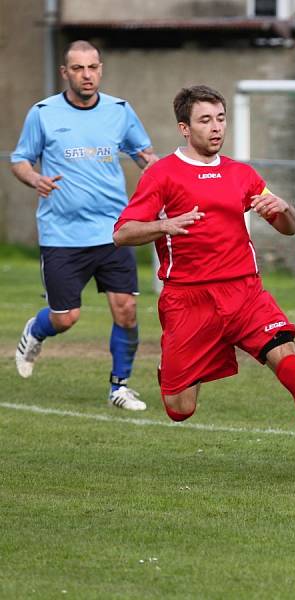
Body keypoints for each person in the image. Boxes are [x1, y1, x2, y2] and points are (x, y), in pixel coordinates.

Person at [112, 85, 295, 484]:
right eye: (205, 120)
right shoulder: (162, 175)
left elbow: (288, 227)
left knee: (291, 364)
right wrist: (164, 225)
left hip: (245, 291)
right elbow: (122, 232)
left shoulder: (241, 173)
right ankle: (171, 366)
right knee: (181, 408)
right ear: (184, 127)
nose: (216, 128)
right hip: (188, 300)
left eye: (220, 118)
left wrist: (282, 209)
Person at [11, 40, 158, 410]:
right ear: (66, 73)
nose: (86, 75)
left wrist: (165, 176)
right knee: (66, 318)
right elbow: (20, 161)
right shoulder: (42, 114)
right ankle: (36, 330)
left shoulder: (120, 111)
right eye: (78, 68)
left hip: (113, 230)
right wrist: (34, 179)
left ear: (101, 69)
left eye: (92, 67)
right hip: (62, 234)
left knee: (125, 309)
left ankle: (119, 387)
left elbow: (145, 156)